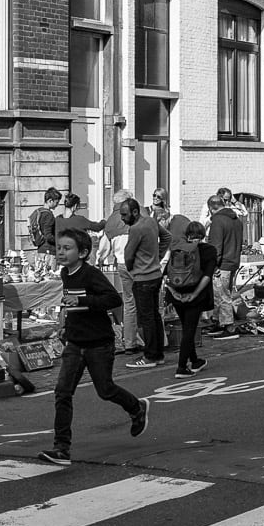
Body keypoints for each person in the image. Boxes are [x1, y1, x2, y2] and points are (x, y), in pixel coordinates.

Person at [39, 230, 148, 466]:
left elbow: (113, 299)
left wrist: (83, 301)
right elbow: (71, 304)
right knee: (62, 392)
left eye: (67, 248)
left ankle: (136, 407)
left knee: (105, 389)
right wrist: (65, 326)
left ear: (83, 253)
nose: (61, 252)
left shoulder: (91, 274)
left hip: (99, 343)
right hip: (75, 343)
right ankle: (61, 448)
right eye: (59, 247)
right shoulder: (65, 273)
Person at [164, 220, 215, 377]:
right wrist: (194, 294)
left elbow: (166, 275)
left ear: (187, 235)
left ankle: (195, 360)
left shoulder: (178, 249)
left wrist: (174, 293)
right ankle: (181, 367)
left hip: (177, 294)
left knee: (186, 326)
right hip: (196, 295)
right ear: (203, 235)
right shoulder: (209, 250)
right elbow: (207, 275)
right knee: (189, 330)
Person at [122, 198, 165, 369]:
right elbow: (167, 237)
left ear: (134, 212)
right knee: (154, 316)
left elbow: (128, 255)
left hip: (143, 278)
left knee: (146, 318)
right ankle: (158, 353)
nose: (123, 219)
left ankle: (150, 355)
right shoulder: (151, 221)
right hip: (155, 274)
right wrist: (158, 257)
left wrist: (132, 269)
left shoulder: (136, 228)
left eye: (125, 215)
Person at [102, 188, 138, 350]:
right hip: (140, 263)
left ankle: (130, 342)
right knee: (148, 303)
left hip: (122, 264)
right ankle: (155, 342)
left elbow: (103, 250)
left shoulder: (110, 221)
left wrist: (99, 261)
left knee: (129, 304)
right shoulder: (138, 216)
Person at [205, 193, 244, 338]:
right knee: (221, 293)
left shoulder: (218, 221)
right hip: (233, 260)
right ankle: (218, 322)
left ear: (211, 208)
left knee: (223, 295)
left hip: (223, 264)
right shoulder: (236, 220)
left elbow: (215, 247)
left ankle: (229, 326)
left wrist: (213, 266)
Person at [29, 187, 63, 256]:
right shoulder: (48, 215)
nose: (57, 205)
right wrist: (60, 241)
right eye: (56, 202)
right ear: (50, 201)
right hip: (49, 250)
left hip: (41, 249)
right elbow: (48, 236)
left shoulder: (39, 211)